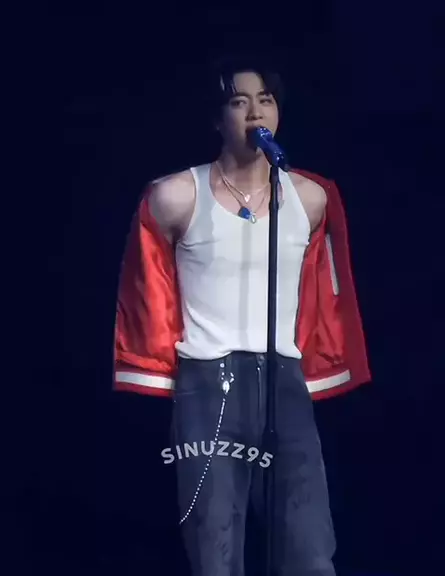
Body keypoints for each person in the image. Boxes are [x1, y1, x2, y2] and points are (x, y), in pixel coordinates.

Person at [114, 54, 370, 576]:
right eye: (239, 101)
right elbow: (146, 288)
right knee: (216, 548)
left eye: (266, 100)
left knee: (308, 548)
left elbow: (323, 293)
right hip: (209, 382)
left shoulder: (310, 198)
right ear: (217, 118)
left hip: (283, 381)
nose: (255, 112)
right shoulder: (176, 195)